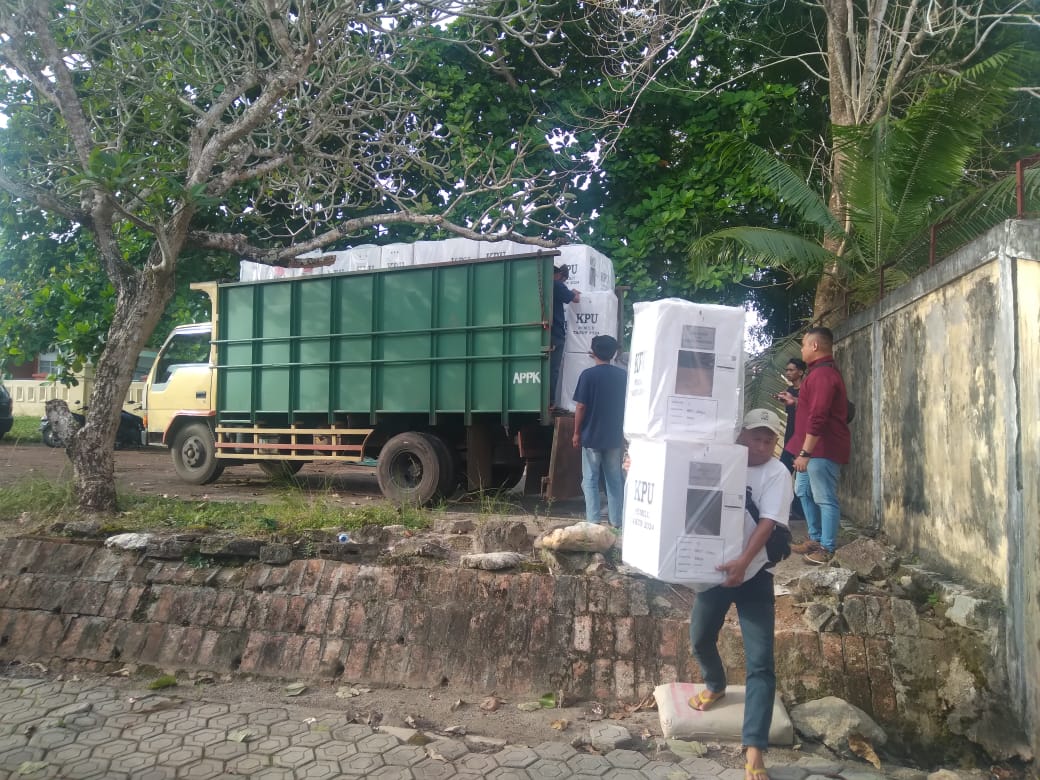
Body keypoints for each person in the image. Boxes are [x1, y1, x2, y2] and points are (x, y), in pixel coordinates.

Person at [687, 409, 792, 780]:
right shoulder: (719, 455)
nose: (762, 447)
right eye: (756, 438)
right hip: (715, 574)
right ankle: (715, 684)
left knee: (761, 661)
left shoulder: (777, 473)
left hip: (754, 575)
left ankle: (754, 749)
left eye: (769, 441)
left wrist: (744, 563)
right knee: (699, 639)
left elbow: (767, 523)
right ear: (741, 435)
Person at [784, 327, 850, 565]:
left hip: (821, 449)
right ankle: (815, 537)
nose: (801, 349)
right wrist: (796, 401)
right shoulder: (817, 373)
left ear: (814, 346)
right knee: (802, 491)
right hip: (811, 449)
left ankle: (827, 547)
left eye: (803, 344)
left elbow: (819, 415)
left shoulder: (823, 374)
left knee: (825, 497)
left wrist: (805, 453)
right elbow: (813, 405)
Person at [571, 334, 627, 528]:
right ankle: (616, 521)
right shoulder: (623, 376)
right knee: (614, 480)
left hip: (591, 436)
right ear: (613, 354)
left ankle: (593, 521)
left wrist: (576, 432)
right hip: (613, 437)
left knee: (590, 480)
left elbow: (581, 407)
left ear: (593, 352)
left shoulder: (588, 375)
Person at [549, 265, 580, 407]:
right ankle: (549, 401)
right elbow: (575, 299)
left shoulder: (545, 286)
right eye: (563, 280)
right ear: (559, 275)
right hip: (555, 334)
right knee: (553, 368)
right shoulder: (557, 285)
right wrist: (574, 292)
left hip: (547, 333)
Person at [776, 358, 806, 473]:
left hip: (803, 438)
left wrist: (793, 400)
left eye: (791, 370)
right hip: (790, 437)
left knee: (801, 479)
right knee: (783, 472)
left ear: (800, 372)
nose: (787, 372)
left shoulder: (806, 389)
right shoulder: (789, 390)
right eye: (786, 370)